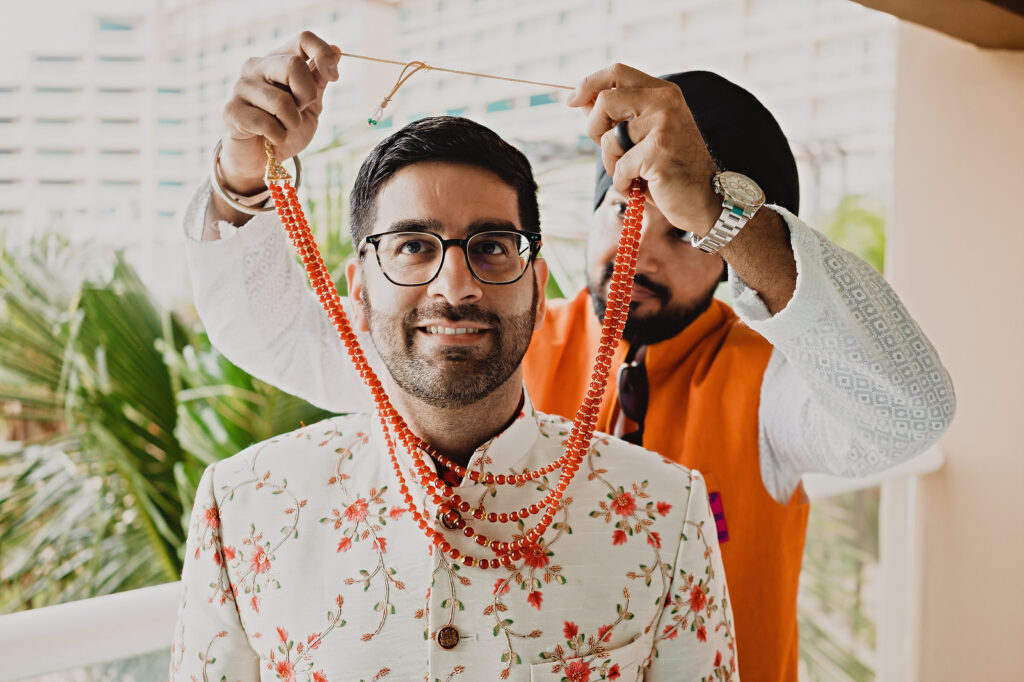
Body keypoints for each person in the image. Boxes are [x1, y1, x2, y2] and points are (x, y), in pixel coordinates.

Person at [183, 32, 955, 680]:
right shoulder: (482, 330)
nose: (641, 248)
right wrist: (242, 175)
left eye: (684, 227)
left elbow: (907, 410)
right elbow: (275, 330)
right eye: (626, 206)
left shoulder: (770, 388)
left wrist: (721, 208)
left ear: (732, 249)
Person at [170, 87, 738, 680]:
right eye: (414, 247)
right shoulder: (243, 505)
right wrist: (241, 168)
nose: (456, 287)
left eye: (491, 247)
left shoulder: (667, 510)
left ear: (538, 288)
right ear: (359, 290)